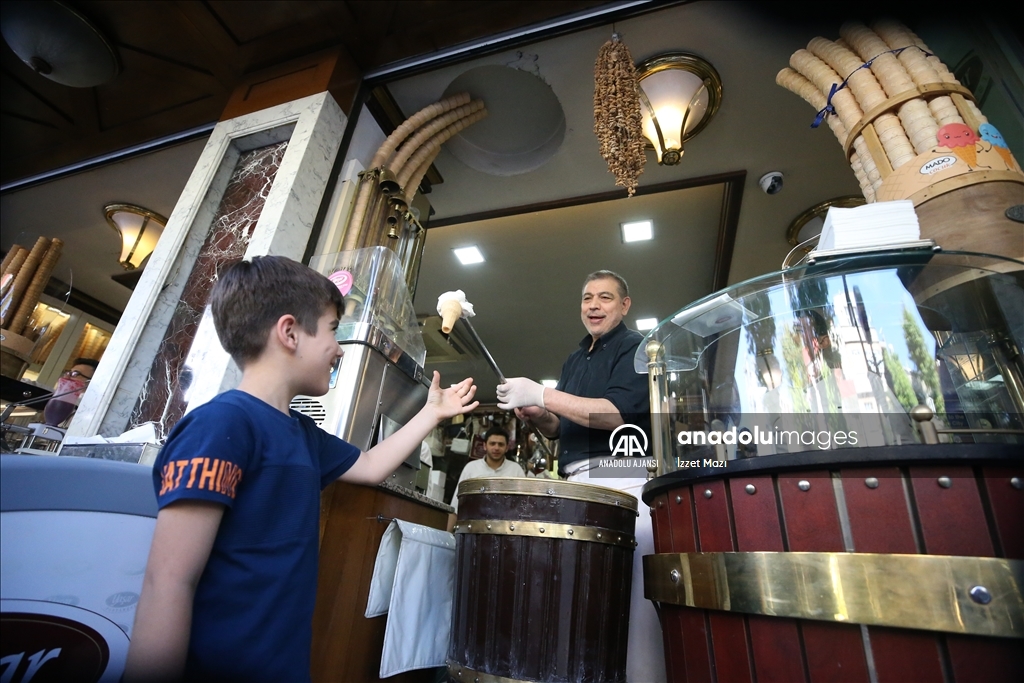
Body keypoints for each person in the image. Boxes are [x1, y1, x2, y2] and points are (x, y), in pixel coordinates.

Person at [123, 256, 478, 683]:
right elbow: (168, 583)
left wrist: (430, 414)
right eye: (332, 330)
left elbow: (367, 466)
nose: (339, 348)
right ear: (289, 332)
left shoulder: (301, 432)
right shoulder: (222, 425)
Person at [495, 269, 664, 683]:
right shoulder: (574, 358)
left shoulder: (635, 348)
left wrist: (541, 393)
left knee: (633, 608)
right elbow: (558, 428)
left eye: (605, 297)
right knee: (583, 602)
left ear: (624, 306)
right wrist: (539, 414)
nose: (593, 305)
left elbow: (615, 413)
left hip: (621, 476)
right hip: (574, 483)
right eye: (587, 297)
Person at [450, 426, 524, 512]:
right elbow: (456, 505)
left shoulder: (516, 470)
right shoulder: (471, 468)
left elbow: (523, 504)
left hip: (507, 523)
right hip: (475, 521)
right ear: (485, 446)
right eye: (492, 443)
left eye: (501, 444)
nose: (496, 448)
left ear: (507, 447)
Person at [42, 358, 98, 426]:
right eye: (69, 373)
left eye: (75, 374)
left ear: (91, 381)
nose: (67, 377)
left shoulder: (91, 408)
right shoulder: (60, 400)